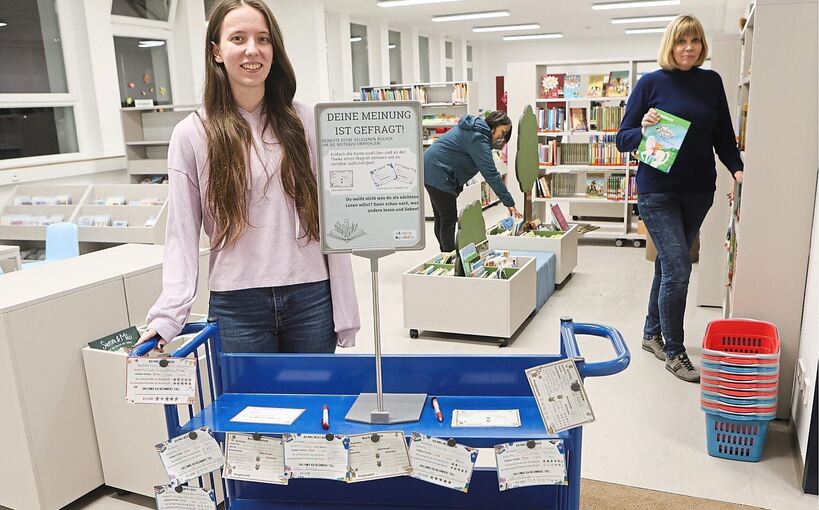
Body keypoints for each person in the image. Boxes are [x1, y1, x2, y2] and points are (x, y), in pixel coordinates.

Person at [135, 0, 359, 354]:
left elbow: (333, 220)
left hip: (311, 297)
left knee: (313, 404)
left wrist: (345, 310)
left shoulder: (309, 122)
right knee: (247, 410)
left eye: (263, 39)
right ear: (217, 51)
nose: (252, 50)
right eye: (237, 38)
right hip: (237, 305)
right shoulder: (192, 133)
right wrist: (168, 315)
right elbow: (181, 233)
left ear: (275, 49)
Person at [616, 15, 744, 382]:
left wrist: (737, 169)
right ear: (670, 46)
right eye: (681, 42)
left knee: (669, 267)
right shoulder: (651, 83)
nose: (688, 48)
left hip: (699, 190)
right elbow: (622, 139)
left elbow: (723, 135)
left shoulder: (711, 82)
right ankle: (674, 351)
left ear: (702, 46)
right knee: (679, 267)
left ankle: (650, 333)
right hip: (657, 190)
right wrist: (641, 129)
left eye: (695, 41)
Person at [423, 111, 522, 253]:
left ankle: (445, 254)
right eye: (503, 131)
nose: (502, 136)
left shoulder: (475, 130)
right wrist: (508, 202)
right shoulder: (478, 138)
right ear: (495, 124)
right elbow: (491, 174)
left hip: (431, 168)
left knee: (441, 216)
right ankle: (449, 257)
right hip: (438, 172)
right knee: (448, 218)